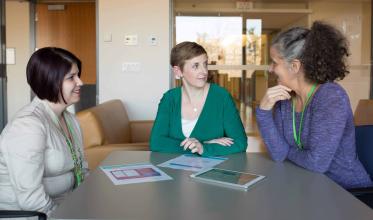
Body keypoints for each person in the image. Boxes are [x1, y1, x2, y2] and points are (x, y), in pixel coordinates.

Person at [256, 21, 372, 189]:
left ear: (294, 66)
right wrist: (264, 112)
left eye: (274, 62)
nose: (270, 69)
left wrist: (288, 151)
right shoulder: (285, 98)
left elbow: (317, 163)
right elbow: (278, 154)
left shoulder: (330, 97)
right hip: (309, 186)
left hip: (349, 192)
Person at [0, 47, 88, 214]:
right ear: (50, 81)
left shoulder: (70, 120)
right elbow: (31, 200)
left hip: (65, 205)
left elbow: (81, 169)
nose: (80, 82)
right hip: (28, 214)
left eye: (78, 75)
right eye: (71, 78)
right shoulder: (28, 126)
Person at [150, 41, 247, 156]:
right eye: (196, 66)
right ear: (178, 71)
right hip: (174, 172)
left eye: (205, 64)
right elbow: (156, 143)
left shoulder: (221, 96)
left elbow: (240, 142)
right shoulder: (169, 99)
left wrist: (203, 148)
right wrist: (202, 144)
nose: (204, 71)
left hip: (210, 172)